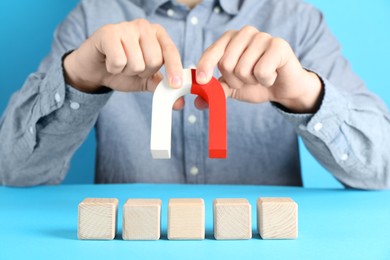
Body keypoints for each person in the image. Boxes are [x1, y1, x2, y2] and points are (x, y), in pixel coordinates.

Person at [0, 0, 389, 189]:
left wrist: (305, 94)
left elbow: (382, 169)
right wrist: (77, 80)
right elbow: (13, 171)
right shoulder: (93, 17)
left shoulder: (296, 21)